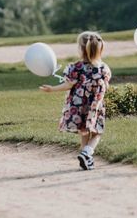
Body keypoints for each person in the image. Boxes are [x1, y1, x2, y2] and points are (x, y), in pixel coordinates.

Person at [40, 31, 111, 170]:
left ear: (81, 49)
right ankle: (87, 153)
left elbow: (68, 84)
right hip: (94, 106)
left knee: (83, 131)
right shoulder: (104, 69)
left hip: (78, 105)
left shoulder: (75, 68)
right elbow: (105, 86)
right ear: (100, 49)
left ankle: (85, 157)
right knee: (97, 132)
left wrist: (51, 89)